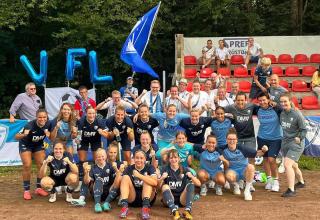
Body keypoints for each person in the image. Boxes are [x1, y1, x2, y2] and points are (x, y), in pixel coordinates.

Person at [15, 108, 51, 200]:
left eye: (44, 117)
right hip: (26, 145)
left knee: (41, 164)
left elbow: (52, 134)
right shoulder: (29, 125)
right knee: (27, 165)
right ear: (36, 117)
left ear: (47, 117)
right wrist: (24, 134)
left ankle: (38, 188)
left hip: (38, 145)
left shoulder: (48, 124)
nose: (42, 119)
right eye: (40, 117)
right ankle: (26, 190)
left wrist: (49, 134)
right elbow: (16, 136)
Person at [222, 128, 266, 201]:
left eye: (234, 139)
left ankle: (247, 190)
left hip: (244, 172)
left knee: (251, 167)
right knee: (228, 175)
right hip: (233, 173)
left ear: (237, 140)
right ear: (226, 140)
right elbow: (212, 149)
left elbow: (257, 153)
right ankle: (236, 185)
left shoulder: (242, 148)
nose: (232, 141)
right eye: (229, 139)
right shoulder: (223, 149)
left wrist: (264, 150)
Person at [158, 149, 201, 220]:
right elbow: (158, 187)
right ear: (168, 159)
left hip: (182, 199)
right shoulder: (164, 169)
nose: (173, 159)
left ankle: (187, 211)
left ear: (179, 159)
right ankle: (174, 211)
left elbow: (198, 184)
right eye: (171, 158)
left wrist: (192, 176)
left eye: (175, 157)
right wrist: (162, 178)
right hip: (169, 200)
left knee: (190, 184)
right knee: (165, 186)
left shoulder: (185, 169)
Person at [279, 92, 307, 197]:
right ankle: (301, 182)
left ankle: (291, 189)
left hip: (296, 143)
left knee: (287, 165)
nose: (283, 103)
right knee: (293, 165)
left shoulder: (297, 114)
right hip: (285, 142)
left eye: (285, 101)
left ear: (290, 101)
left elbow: (304, 130)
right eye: (281, 102)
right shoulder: (282, 113)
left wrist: (299, 137)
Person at [119, 150, 158, 219]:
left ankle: (145, 209)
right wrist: (118, 171)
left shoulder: (150, 167)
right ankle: (124, 207)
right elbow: (121, 183)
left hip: (148, 198)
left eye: (141, 158)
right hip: (133, 198)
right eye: (137, 158)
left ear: (145, 159)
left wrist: (139, 176)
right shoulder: (129, 168)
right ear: (133, 159)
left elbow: (155, 183)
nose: (139, 160)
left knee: (148, 178)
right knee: (125, 177)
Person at [256, 93, 283, 192]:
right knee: (266, 159)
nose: (262, 102)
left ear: (268, 100)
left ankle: (276, 181)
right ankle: (269, 180)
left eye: (264, 100)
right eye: (260, 100)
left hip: (276, 138)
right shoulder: (257, 109)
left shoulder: (276, 109)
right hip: (262, 138)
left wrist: (276, 104)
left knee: (272, 159)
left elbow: (286, 108)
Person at [82, 148, 120, 212]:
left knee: (118, 181)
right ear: (96, 157)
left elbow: (118, 178)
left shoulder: (110, 166)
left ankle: (106, 203)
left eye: (102, 156)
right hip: (97, 192)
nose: (101, 158)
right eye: (98, 157)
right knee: (99, 179)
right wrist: (86, 172)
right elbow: (86, 181)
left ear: (106, 156)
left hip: (109, 193)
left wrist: (116, 169)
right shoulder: (93, 167)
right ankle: (97, 204)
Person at [76, 106, 107, 184]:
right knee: (82, 160)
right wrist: (77, 140)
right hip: (84, 140)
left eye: (93, 113)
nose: (91, 115)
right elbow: (78, 135)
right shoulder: (81, 121)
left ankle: (97, 177)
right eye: (89, 113)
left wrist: (102, 132)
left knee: (97, 159)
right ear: (86, 114)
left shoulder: (99, 121)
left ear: (95, 114)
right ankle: (81, 180)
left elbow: (106, 131)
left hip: (95, 140)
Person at [225, 92, 259, 160]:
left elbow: (262, 108)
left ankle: (250, 170)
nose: (240, 102)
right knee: (236, 158)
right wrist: (227, 116)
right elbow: (220, 110)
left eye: (242, 100)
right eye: (238, 100)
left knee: (251, 157)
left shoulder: (251, 106)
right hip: (238, 138)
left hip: (250, 137)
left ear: (245, 100)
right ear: (235, 101)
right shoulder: (231, 107)